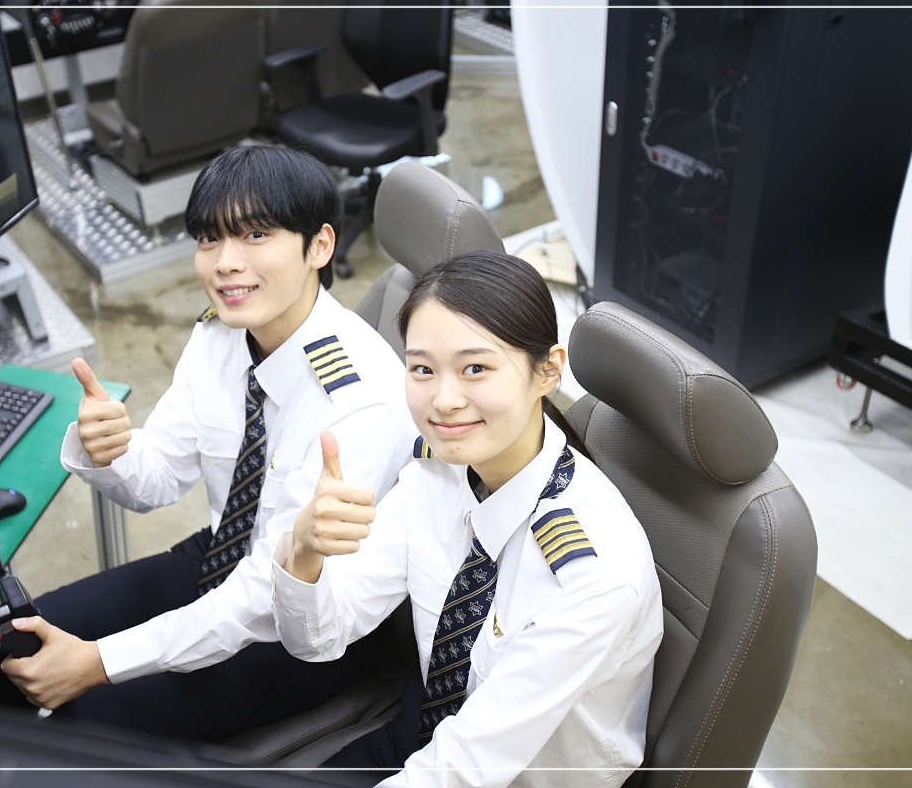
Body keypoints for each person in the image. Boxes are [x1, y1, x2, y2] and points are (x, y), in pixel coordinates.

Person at [0, 145, 418, 741]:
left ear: (320, 246)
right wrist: (111, 449)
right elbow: (158, 479)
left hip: (298, 624)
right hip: (221, 556)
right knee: (8, 646)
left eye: (256, 235)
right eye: (208, 238)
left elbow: (265, 590)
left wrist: (99, 663)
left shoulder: (362, 397)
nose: (225, 263)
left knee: (81, 726)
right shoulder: (221, 334)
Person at [271, 252, 664, 787]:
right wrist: (303, 552)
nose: (444, 401)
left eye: (475, 368)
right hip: (422, 736)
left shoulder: (592, 578)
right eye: (422, 369)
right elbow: (318, 639)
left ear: (547, 370)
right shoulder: (438, 473)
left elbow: (465, 770)